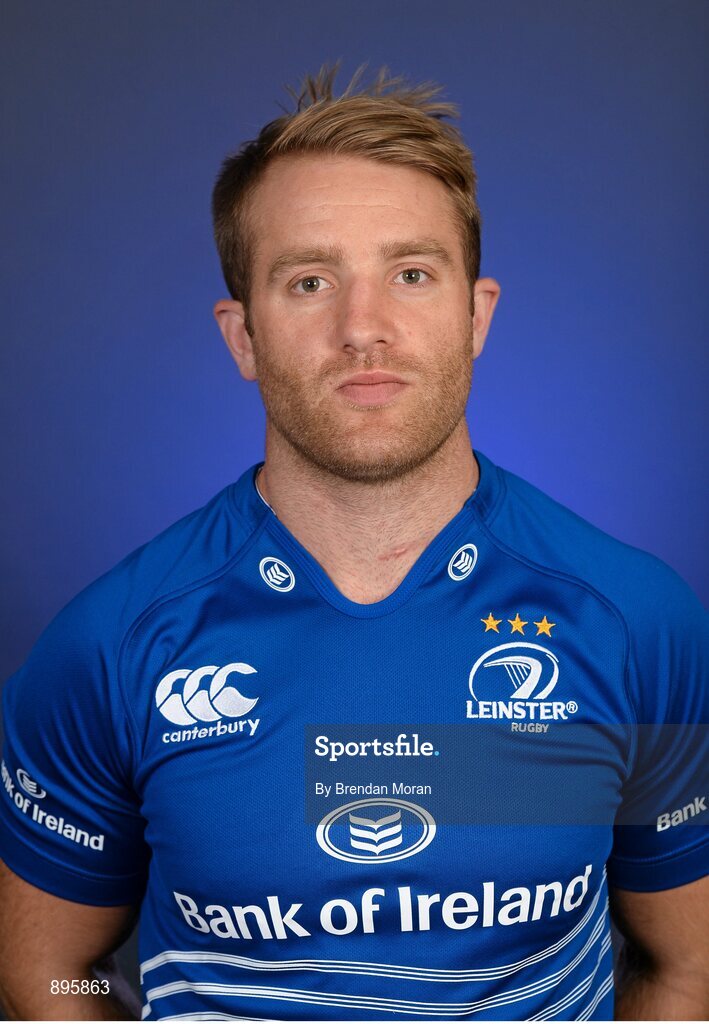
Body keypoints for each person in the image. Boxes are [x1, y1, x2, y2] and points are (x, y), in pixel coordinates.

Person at [0, 61, 707, 1022]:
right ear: (242, 335)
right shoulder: (108, 648)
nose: (361, 329)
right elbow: (55, 975)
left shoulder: (635, 623)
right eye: (308, 281)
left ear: (475, 315)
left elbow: (686, 967)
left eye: (410, 274)